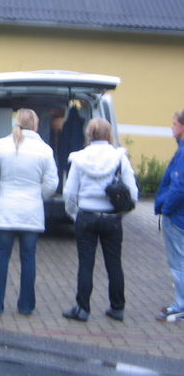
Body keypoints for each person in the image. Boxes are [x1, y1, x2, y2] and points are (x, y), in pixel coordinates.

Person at [0, 108, 58, 315]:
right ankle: (26, 305)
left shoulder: (2, 145)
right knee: (28, 258)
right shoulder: (45, 150)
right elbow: (52, 184)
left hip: (5, 209)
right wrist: (38, 194)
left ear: (16, 122)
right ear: (36, 125)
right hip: (31, 210)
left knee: (1, 256)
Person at [62, 118, 138, 322]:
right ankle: (117, 307)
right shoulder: (119, 158)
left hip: (86, 215)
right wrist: (122, 213)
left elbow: (69, 192)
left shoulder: (80, 158)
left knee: (86, 264)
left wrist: (74, 213)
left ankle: (83, 308)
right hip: (111, 218)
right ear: (108, 134)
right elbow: (133, 191)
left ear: (89, 134)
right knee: (114, 264)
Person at [154, 109, 184, 322]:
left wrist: (165, 209)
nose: (172, 127)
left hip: (176, 216)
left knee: (178, 262)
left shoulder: (183, 152)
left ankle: (181, 305)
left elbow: (179, 185)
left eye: (174, 123)